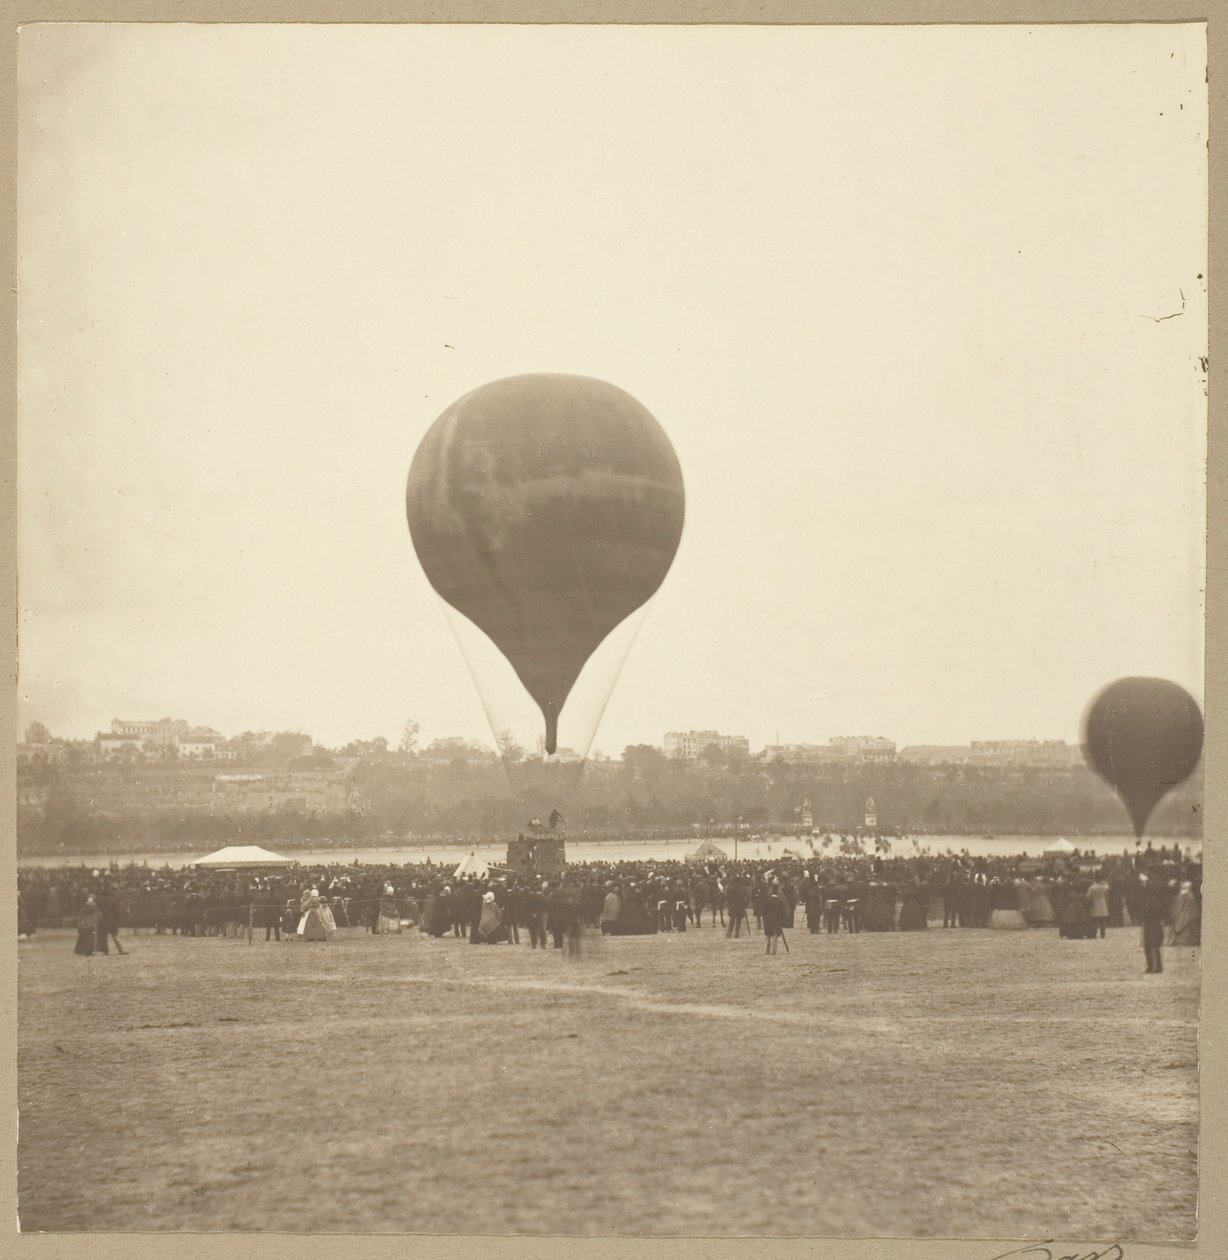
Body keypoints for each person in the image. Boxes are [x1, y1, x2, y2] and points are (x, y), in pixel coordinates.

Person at [1139, 874, 1167, 974]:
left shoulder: (1151, 900)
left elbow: (1151, 910)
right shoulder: (1155, 898)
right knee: (1151, 946)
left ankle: (1154, 966)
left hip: (1152, 923)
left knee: (1152, 945)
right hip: (1153, 923)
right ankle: (1154, 966)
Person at [1170, 879, 1199, 947]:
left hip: (1186, 915)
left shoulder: (1188, 896)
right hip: (1183, 915)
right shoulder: (1186, 895)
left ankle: (1183, 941)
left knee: (1186, 928)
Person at [1086, 873, 1110, 939]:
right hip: (1103, 905)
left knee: (1095, 922)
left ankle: (1094, 934)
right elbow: (1107, 886)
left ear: (1095, 879)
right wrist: (1103, 882)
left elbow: (1087, 896)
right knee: (1103, 922)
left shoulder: (1092, 887)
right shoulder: (1104, 887)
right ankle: (1103, 934)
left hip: (1095, 906)